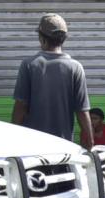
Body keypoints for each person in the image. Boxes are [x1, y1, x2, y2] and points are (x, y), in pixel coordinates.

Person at [12, 13, 94, 147]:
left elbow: (20, 107)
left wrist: (13, 136)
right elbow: (82, 111)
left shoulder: (29, 64)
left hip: (32, 145)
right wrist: (90, 141)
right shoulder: (75, 67)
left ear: (41, 38)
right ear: (64, 39)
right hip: (64, 145)